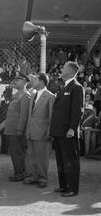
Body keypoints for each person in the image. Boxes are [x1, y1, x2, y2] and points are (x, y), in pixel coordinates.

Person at [50, 61, 84, 197]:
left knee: (70, 161)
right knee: (61, 160)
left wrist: (72, 128)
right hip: (59, 131)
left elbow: (78, 111)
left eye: (63, 67)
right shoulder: (65, 86)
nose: (61, 69)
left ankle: (72, 188)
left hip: (68, 132)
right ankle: (64, 186)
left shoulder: (76, 87)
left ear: (70, 70)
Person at [24, 73, 55, 188]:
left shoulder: (50, 96)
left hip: (42, 131)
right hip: (31, 130)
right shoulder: (33, 95)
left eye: (35, 79)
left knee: (42, 156)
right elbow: (29, 115)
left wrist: (49, 132)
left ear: (41, 81)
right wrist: (27, 129)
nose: (33, 82)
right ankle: (34, 176)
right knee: (32, 155)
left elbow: (52, 116)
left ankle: (43, 178)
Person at [2, 72, 31, 182]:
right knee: (14, 152)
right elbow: (7, 100)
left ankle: (20, 173)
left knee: (18, 152)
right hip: (11, 128)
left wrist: (20, 129)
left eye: (18, 80)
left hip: (16, 130)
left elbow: (24, 115)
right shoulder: (17, 94)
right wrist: (8, 91)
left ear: (24, 82)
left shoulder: (25, 95)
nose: (15, 82)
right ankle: (18, 172)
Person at [0, 89, 10, 154]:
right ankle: (3, 151)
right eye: (5, 95)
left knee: (8, 137)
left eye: (7, 95)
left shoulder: (11, 102)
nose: (6, 96)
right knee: (2, 137)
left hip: (8, 123)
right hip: (2, 122)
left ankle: (7, 150)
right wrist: (1, 96)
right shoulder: (1, 102)